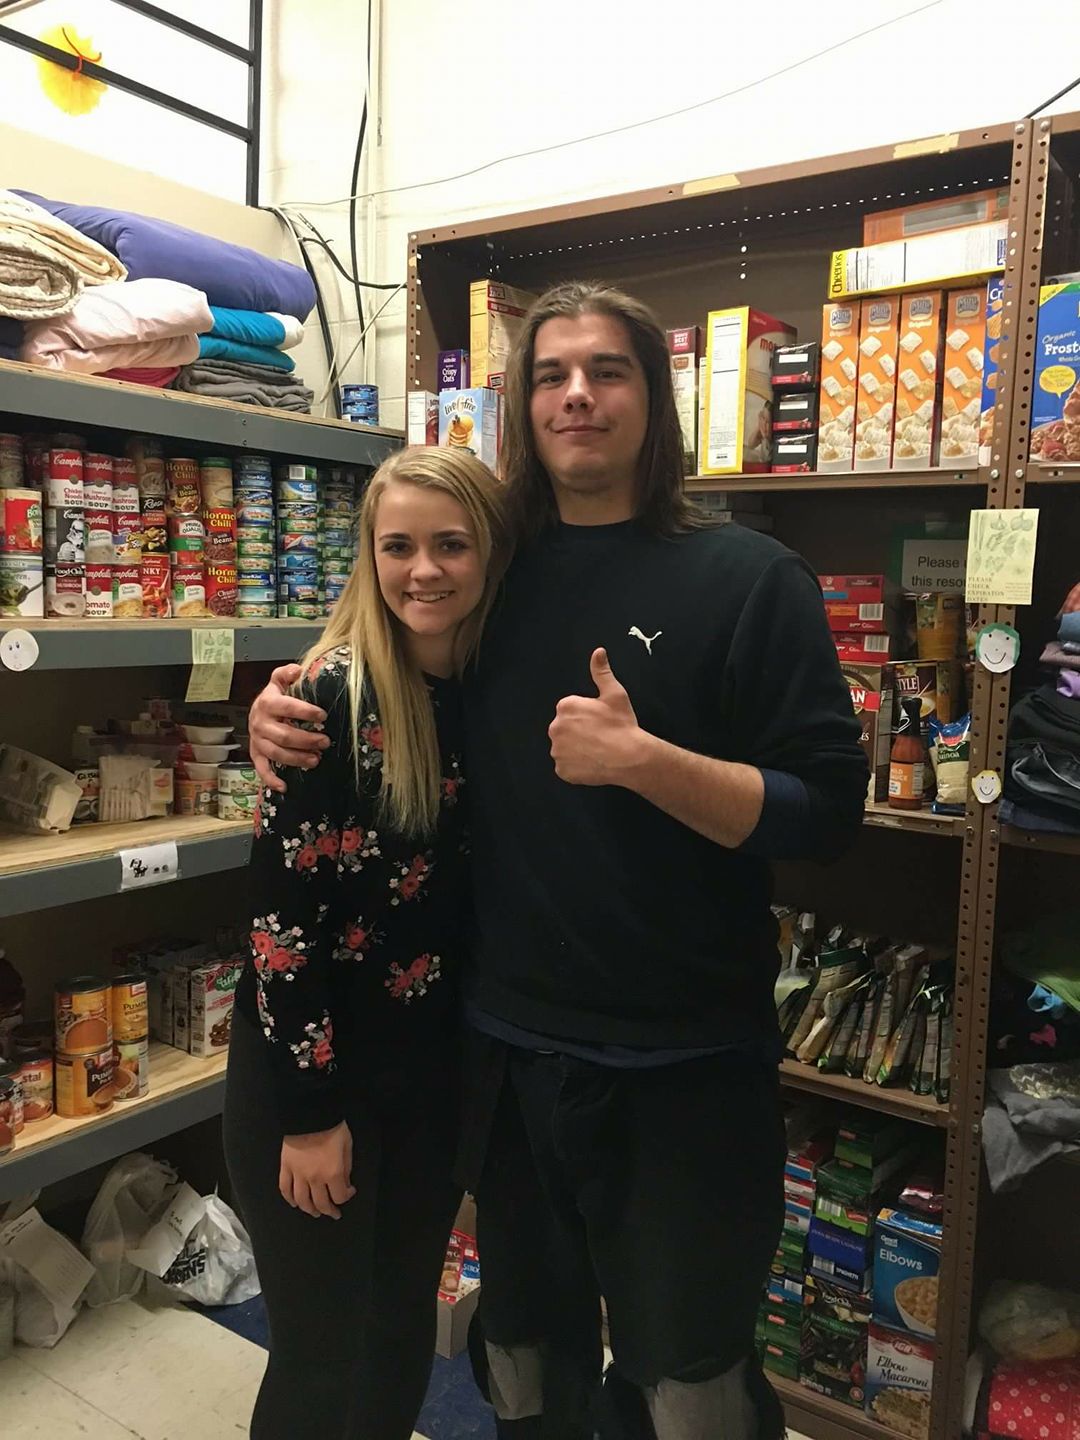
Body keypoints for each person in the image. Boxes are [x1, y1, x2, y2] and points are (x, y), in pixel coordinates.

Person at [248, 282, 869, 1440]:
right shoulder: (493, 566)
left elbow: (826, 814)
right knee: (525, 1367)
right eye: (550, 374)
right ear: (521, 403)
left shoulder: (749, 579)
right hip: (507, 1062)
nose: (578, 393)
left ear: (657, 396)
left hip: (688, 1067)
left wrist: (646, 762)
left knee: (691, 1388)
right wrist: (281, 707)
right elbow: (384, 644)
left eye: (609, 369)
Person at [224, 446, 507, 1440]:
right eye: (398, 546)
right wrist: (309, 1113)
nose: (422, 569)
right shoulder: (327, 701)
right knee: (322, 1364)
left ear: (491, 553)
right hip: (314, 1092)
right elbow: (280, 929)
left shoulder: (493, 699)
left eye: (450, 544)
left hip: (425, 1090)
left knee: (391, 1351)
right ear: (369, 558)